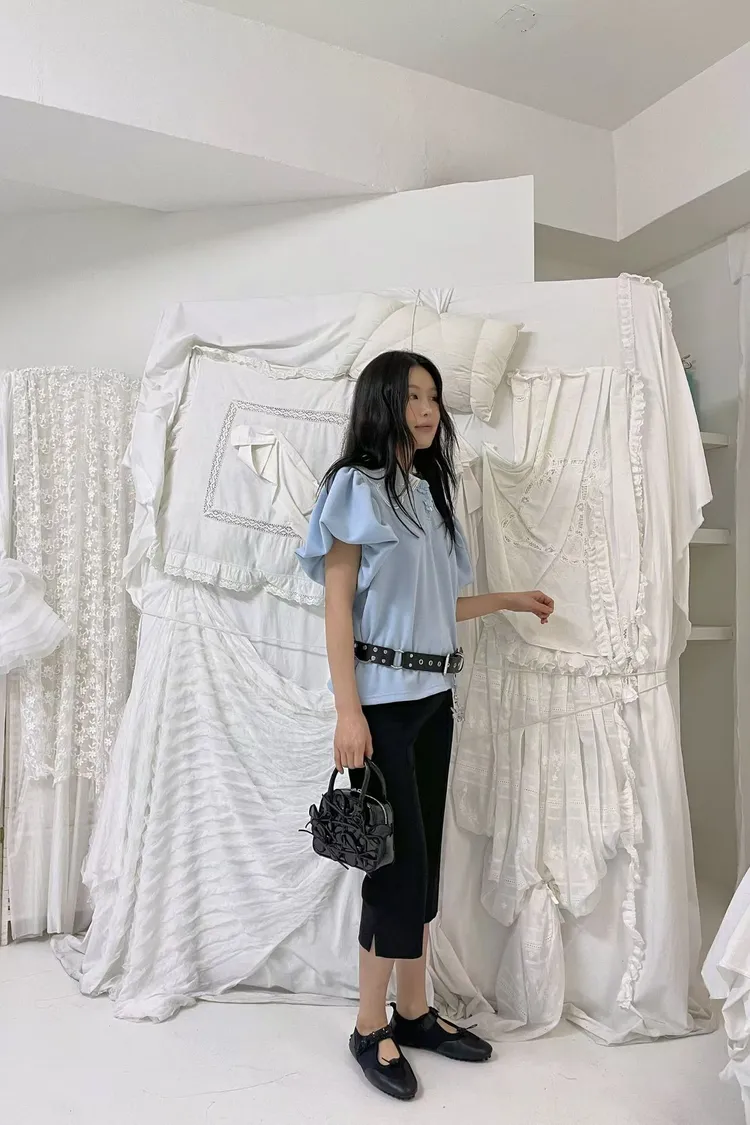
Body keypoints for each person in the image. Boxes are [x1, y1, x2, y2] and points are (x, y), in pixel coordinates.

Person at [297, 350, 554, 1101]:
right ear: (383, 402)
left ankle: (413, 1011)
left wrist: (507, 599)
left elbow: (437, 608)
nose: (426, 409)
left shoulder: (430, 493)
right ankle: (367, 1024)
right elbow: (337, 606)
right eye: (413, 396)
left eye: (434, 397)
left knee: (426, 863)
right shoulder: (355, 487)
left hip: (435, 699)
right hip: (378, 707)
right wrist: (348, 710)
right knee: (394, 869)